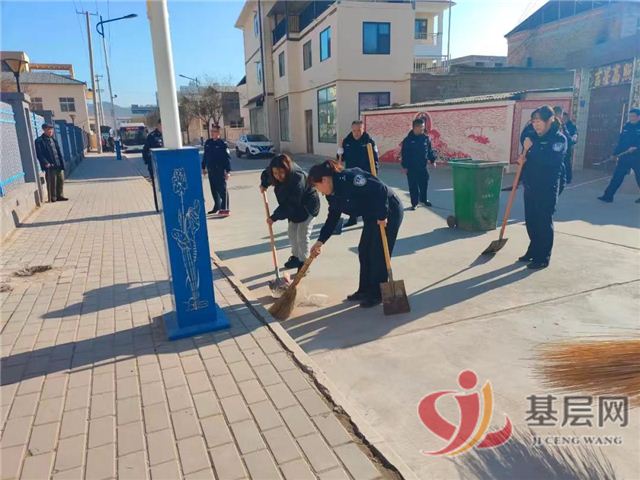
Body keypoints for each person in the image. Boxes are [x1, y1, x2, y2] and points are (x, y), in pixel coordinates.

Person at [309, 160, 404, 308]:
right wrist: (321, 241)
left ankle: (377, 294)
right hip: (371, 214)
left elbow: (380, 189)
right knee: (364, 250)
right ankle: (365, 290)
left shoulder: (351, 179)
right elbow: (333, 217)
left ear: (325, 180)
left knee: (377, 253)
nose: (319, 192)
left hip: (388, 210)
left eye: (317, 186)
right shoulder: (332, 193)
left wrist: (382, 215)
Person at [519, 105, 567, 270]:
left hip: (547, 186)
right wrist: (523, 157)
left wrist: (530, 148)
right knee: (531, 221)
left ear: (550, 120)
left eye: (539, 121)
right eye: (534, 121)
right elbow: (527, 152)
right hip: (530, 184)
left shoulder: (559, 139)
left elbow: (549, 160)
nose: (536, 124)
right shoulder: (532, 136)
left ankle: (543, 257)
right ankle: (533, 250)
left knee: (543, 222)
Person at [260, 154, 320, 271]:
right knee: (292, 233)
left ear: (287, 169)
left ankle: (304, 263)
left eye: (281, 173)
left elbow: (291, 204)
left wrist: (274, 217)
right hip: (293, 207)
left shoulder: (297, 178)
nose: (278, 176)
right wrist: (264, 184)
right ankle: (296, 258)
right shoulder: (273, 172)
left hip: (307, 206)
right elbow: (266, 174)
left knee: (302, 235)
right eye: (275, 173)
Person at [337, 120, 379, 227]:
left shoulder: (369, 141)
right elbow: (341, 159)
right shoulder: (347, 141)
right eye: (354, 130)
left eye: (359, 130)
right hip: (350, 174)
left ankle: (367, 219)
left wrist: (375, 174)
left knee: (366, 197)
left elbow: (375, 159)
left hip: (365, 174)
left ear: (363, 129)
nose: (356, 133)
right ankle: (353, 218)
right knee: (352, 197)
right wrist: (339, 151)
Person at [597, 108, 640, 204]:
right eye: (630, 116)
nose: (631, 118)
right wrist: (615, 154)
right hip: (625, 157)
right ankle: (608, 196)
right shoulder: (626, 127)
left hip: (637, 157)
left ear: (638, 117)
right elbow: (620, 142)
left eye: (633, 116)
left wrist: (637, 147)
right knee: (617, 176)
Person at [400, 118, 437, 209]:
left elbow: (429, 150)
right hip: (411, 167)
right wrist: (404, 166)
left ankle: (423, 199)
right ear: (415, 128)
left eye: (423, 127)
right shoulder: (408, 140)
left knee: (424, 184)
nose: (422, 129)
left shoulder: (426, 138)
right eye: (421, 127)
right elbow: (404, 154)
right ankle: (414, 203)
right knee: (413, 186)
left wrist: (432, 160)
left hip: (423, 166)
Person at [202, 125, 231, 215]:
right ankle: (217, 206)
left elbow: (227, 158)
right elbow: (205, 156)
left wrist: (228, 171)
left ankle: (225, 208)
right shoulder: (208, 142)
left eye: (214, 131)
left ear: (218, 133)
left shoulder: (222, 144)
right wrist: (203, 167)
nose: (212, 133)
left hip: (219, 170)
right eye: (211, 131)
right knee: (214, 190)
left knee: (222, 190)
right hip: (211, 170)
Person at [35, 123, 68, 202]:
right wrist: (45, 162)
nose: (50, 131)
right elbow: (39, 154)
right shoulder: (39, 141)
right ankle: (53, 197)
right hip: (50, 165)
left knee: (60, 180)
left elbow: (58, 152)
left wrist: (62, 163)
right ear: (44, 130)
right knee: (52, 181)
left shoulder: (53, 140)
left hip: (58, 164)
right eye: (48, 129)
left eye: (51, 129)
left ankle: (60, 195)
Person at [143, 119, 163, 212]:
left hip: (166, 167)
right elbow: (145, 151)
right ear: (158, 125)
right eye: (162, 125)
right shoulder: (152, 136)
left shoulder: (168, 135)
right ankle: (158, 207)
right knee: (157, 187)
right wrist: (150, 164)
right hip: (155, 168)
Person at [562, 112, 577, 184]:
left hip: (568, 147)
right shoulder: (560, 124)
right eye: (563, 117)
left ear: (567, 118)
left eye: (565, 117)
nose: (563, 119)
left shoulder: (571, 126)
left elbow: (575, 136)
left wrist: (572, 141)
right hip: (561, 147)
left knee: (567, 162)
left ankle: (568, 178)